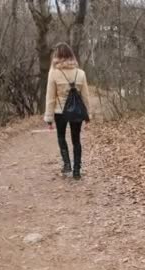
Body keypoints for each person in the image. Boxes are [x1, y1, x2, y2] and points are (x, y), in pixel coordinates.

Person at [44, 43, 91, 180]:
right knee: (76, 140)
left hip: (60, 112)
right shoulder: (81, 74)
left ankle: (67, 165)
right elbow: (85, 97)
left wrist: (49, 117)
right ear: (71, 56)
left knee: (61, 137)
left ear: (57, 56)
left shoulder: (53, 73)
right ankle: (77, 170)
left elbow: (50, 97)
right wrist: (87, 115)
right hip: (76, 112)